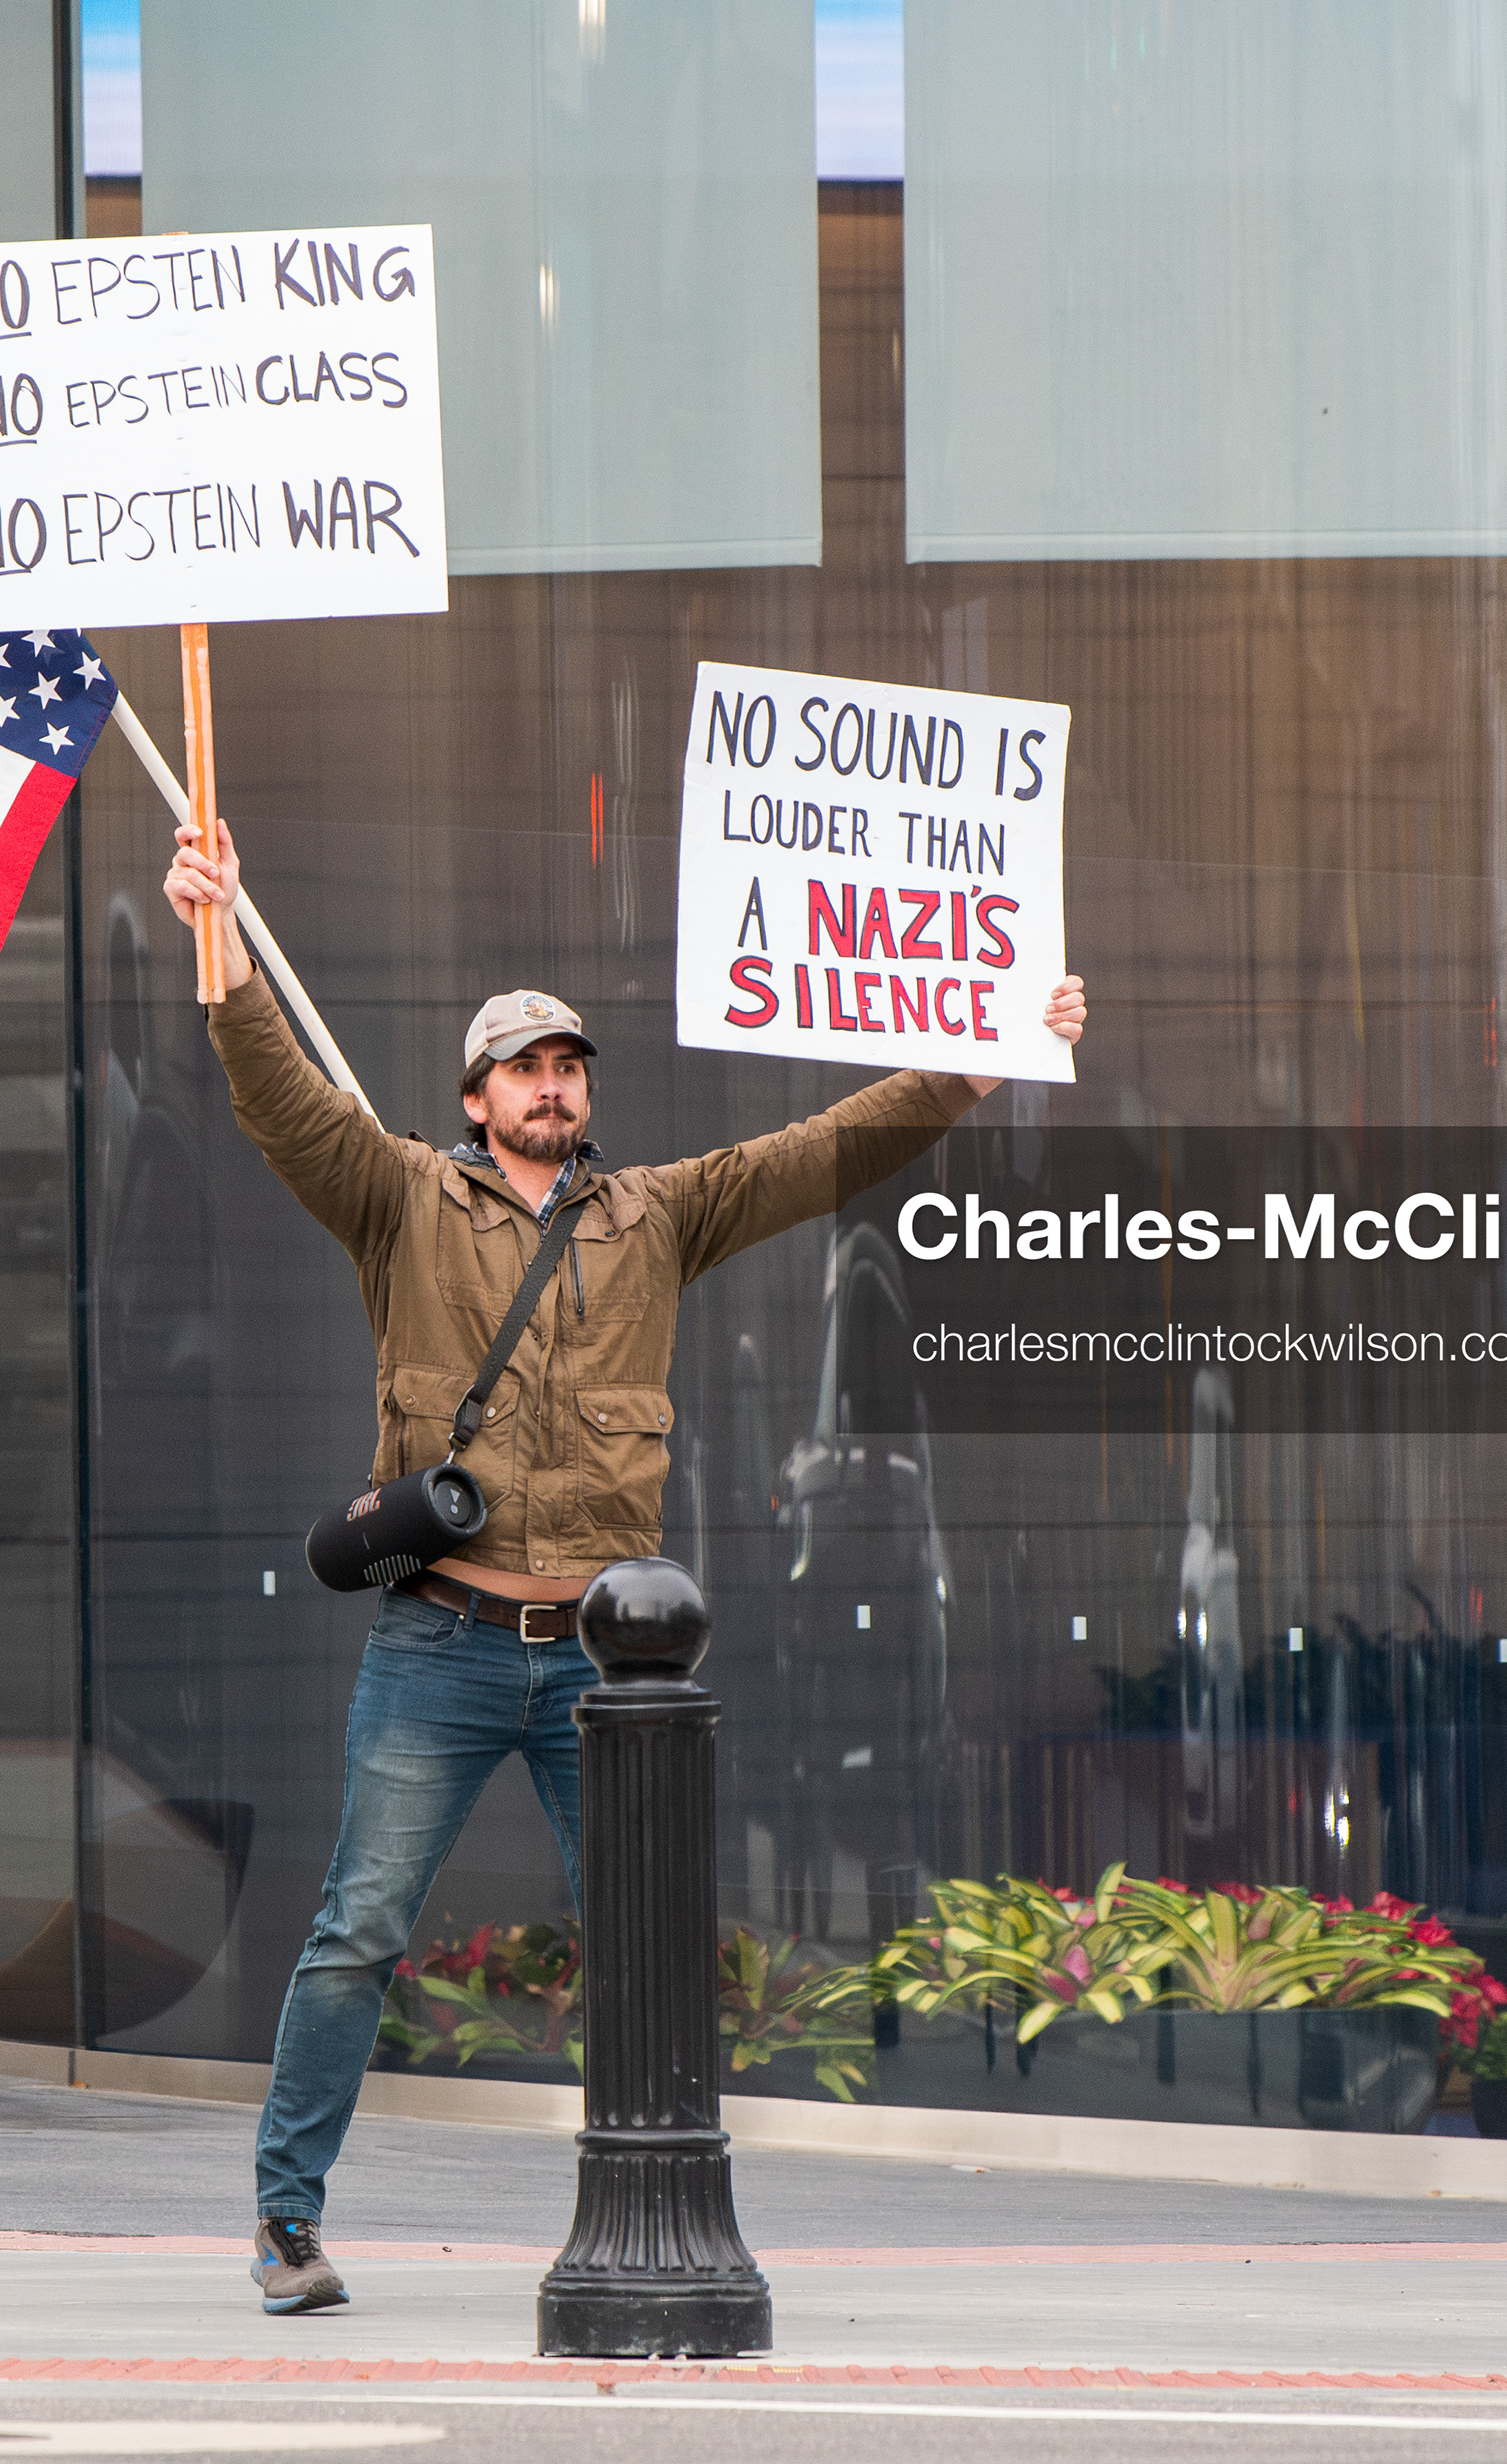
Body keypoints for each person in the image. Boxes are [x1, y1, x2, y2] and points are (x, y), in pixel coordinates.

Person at [165, 820, 1088, 2313]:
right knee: (359, 1930)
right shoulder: (398, 1197)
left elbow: (829, 1151)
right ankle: (285, 2220)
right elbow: (282, 1104)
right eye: (526, 1066)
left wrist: (983, 1052)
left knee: (648, 1948)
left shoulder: (659, 1213)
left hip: (606, 1663)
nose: (553, 1084)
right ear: (475, 1099)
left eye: (570, 1065)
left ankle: (664, 2210)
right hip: (442, 1645)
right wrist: (220, 944)